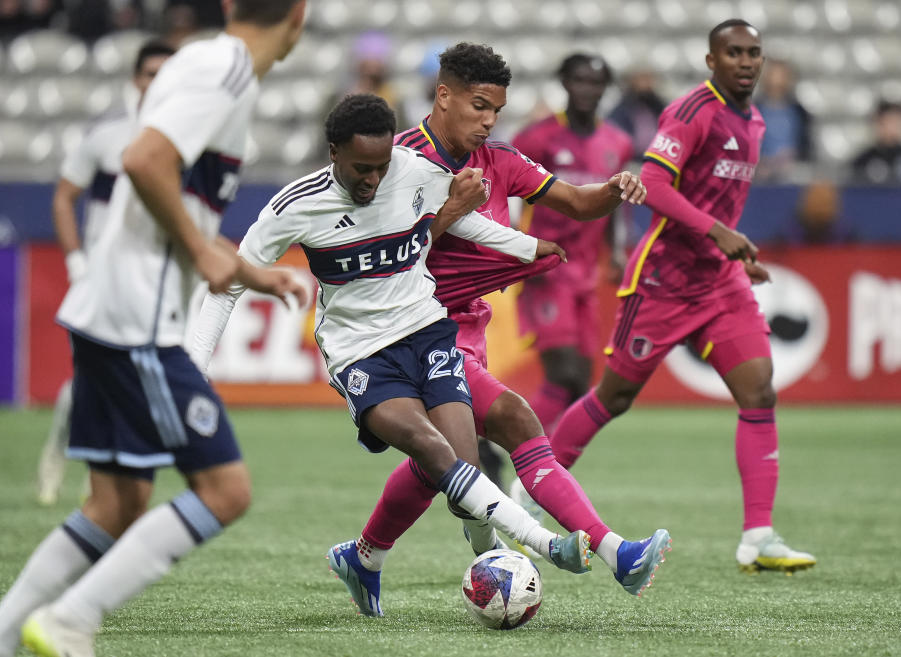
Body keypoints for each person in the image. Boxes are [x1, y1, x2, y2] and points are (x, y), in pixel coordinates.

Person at [0, 2, 309, 657]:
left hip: (108, 309)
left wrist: (247, 271)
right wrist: (205, 254)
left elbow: (173, 195)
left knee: (118, 502)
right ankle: (71, 617)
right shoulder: (226, 71)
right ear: (300, 14)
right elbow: (146, 161)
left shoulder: (198, 63)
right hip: (138, 321)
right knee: (226, 490)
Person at [188, 94, 594, 618]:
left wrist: (523, 246)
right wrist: (194, 369)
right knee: (431, 448)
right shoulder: (295, 206)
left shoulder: (412, 170)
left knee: (462, 464)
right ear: (333, 151)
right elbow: (227, 286)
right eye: (361, 168)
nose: (373, 180)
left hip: (426, 332)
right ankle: (544, 546)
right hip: (360, 355)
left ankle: (373, 560)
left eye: (381, 167)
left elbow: (460, 220)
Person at [326, 42, 669, 618]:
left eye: (496, 111)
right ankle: (617, 553)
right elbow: (376, 255)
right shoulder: (398, 162)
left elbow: (577, 202)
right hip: (411, 332)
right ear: (444, 95)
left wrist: (615, 189)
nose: (487, 121)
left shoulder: (501, 161)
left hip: (470, 330)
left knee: (439, 465)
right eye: (478, 106)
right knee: (513, 418)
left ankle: (365, 557)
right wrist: (450, 212)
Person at [548, 20, 817, 574]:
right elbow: (654, 185)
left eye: (753, 53)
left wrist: (736, 252)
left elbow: (723, 199)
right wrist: (717, 232)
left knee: (760, 392)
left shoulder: (757, 119)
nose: (746, 62)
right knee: (613, 397)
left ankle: (758, 538)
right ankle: (533, 491)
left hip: (719, 283)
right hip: (663, 281)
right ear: (711, 60)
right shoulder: (692, 113)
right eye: (733, 53)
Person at [36, 39, 176, 508]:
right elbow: (63, 197)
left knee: (135, 378)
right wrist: (76, 261)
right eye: (148, 73)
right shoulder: (107, 134)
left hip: (155, 276)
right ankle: (57, 457)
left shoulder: (185, 136)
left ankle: (103, 476)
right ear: (133, 79)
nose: (155, 83)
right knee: (86, 378)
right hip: (102, 273)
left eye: (164, 73)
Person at [511, 52, 633, 435]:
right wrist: (512, 247)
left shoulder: (618, 142)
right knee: (563, 373)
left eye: (596, 82)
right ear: (564, 83)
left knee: (581, 385)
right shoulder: (537, 138)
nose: (587, 89)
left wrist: (615, 252)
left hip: (586, 273)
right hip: (544, 268)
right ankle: (499, 440)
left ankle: (544, 468)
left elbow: (613, 204)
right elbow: (507, 192)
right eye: (579, 80)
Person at [753, 59, 813, 182]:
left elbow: (806, 145)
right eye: (773, 75)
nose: (777, 81)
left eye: (782, 76)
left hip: (792, 169)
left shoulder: (800, 112)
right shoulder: (751, 111)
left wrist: (793, 157)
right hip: (760, 169)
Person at [850, 100, 901, 185]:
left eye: (898, 122)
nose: (893, 127)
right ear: (878, 122)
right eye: (889, 121)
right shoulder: (862, 161)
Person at [608, 68, 667, 161]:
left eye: (649, 78)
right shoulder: (623, 108)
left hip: (656, 158)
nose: (646, 83)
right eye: (642, 78)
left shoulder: (657, 106)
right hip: (632, 160)